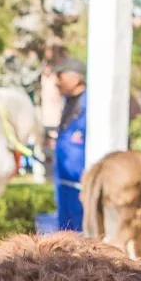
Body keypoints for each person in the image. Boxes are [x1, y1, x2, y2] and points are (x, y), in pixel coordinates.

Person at [52, 58, 88, 232]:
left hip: (80, 184)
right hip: (63, 183)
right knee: (65, 232)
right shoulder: (68, 103)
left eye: (60, 76)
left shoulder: (90, 104)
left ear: (76, 78)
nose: (56, 82)